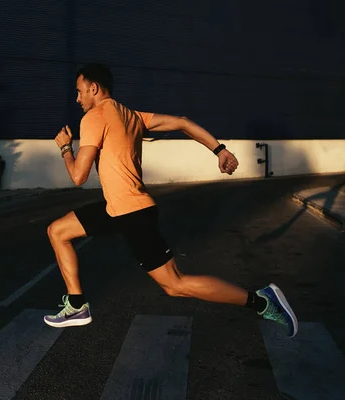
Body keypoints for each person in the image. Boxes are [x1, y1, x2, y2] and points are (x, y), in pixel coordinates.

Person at [43, 63, 298, 337]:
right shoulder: (131, 115)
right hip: (118, 208)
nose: (78, 98)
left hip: (130, 212)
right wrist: (219, 150)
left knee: (175, 285)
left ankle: (261, 301)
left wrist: (66, 148)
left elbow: (79, 176)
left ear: (94, 88)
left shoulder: (94, 117)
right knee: (58, 231)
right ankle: (77, 304)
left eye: (80, 91)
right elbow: (183, 122)